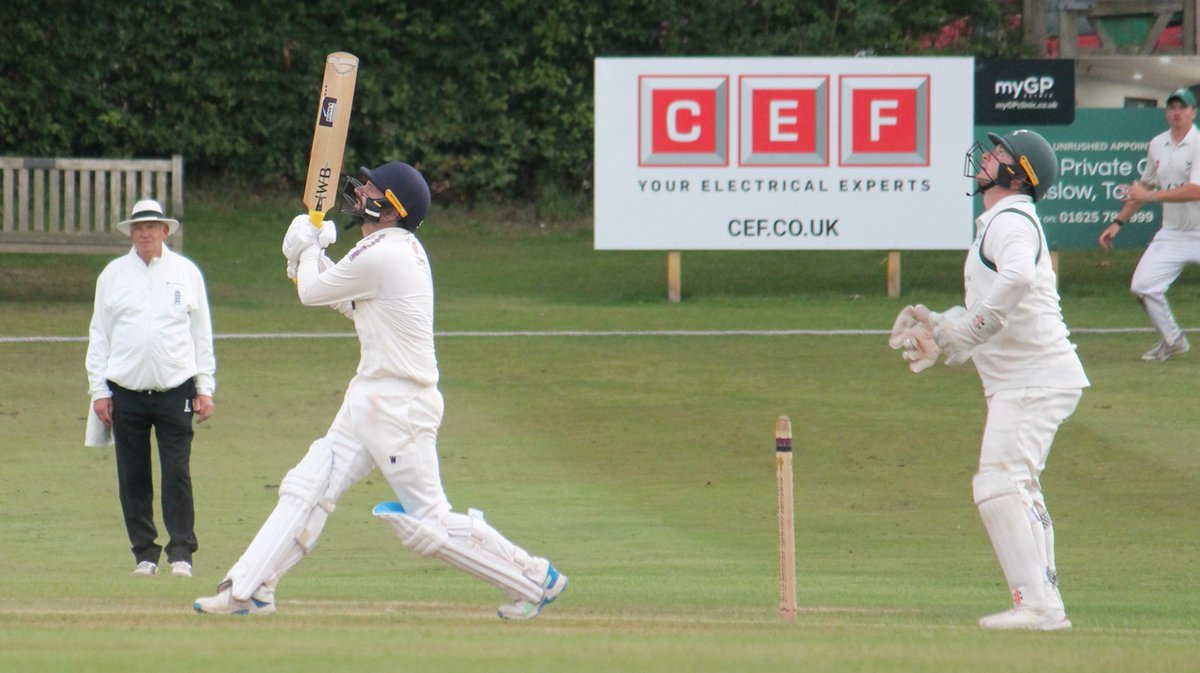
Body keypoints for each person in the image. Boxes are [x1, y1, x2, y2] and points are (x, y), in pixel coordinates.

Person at [194, 162, 567, 620]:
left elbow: (313, 292)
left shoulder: (384, 252)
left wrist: (308, 249)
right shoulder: (392, 250)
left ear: (391, 210)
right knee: (307, 486)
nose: (361, 191)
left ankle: (534, 578)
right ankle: (251, 588)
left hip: (399, 405)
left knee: (427, 526)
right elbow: (347, 301)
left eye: (373, 189)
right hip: (371, 395)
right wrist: (303, 259)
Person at [890, 130, 1089, 630]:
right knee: (1020, 488)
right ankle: (1048, 604)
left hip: (1033, 377)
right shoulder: (1001, 222)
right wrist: (943, 328)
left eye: (999, 153)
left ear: (1019, 174)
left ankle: (1037, 606)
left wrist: (971, 330)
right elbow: (994, 302)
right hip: (1033, 377)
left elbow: (1017, 279)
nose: (986, 157)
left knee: (997, 483)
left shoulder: (1011, 220)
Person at [86, 198, 216, 579]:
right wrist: (99, 391)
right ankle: (145, 554)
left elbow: (200, 334)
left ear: (165, 231)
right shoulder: (113, 275)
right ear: (131, 233)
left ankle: (181, 554)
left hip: (176, 389)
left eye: (151, 227)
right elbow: (99, 336)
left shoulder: (185, 273)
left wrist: (204, 386)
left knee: (177, 473)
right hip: (126, 390)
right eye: (137, 228)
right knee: (133, 475)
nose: (144, 233)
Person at [1098, 86, 1200, 361]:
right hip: (1173, 234)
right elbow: (1143, 186)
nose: (1177, 112)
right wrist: (1118, 222)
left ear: (1193, 112)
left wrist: (1150, 196)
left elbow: (1196, 190)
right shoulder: (1157, 144)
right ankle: (1173, 340)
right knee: (1143, 286)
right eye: (1172, 107)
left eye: (1183, 107)